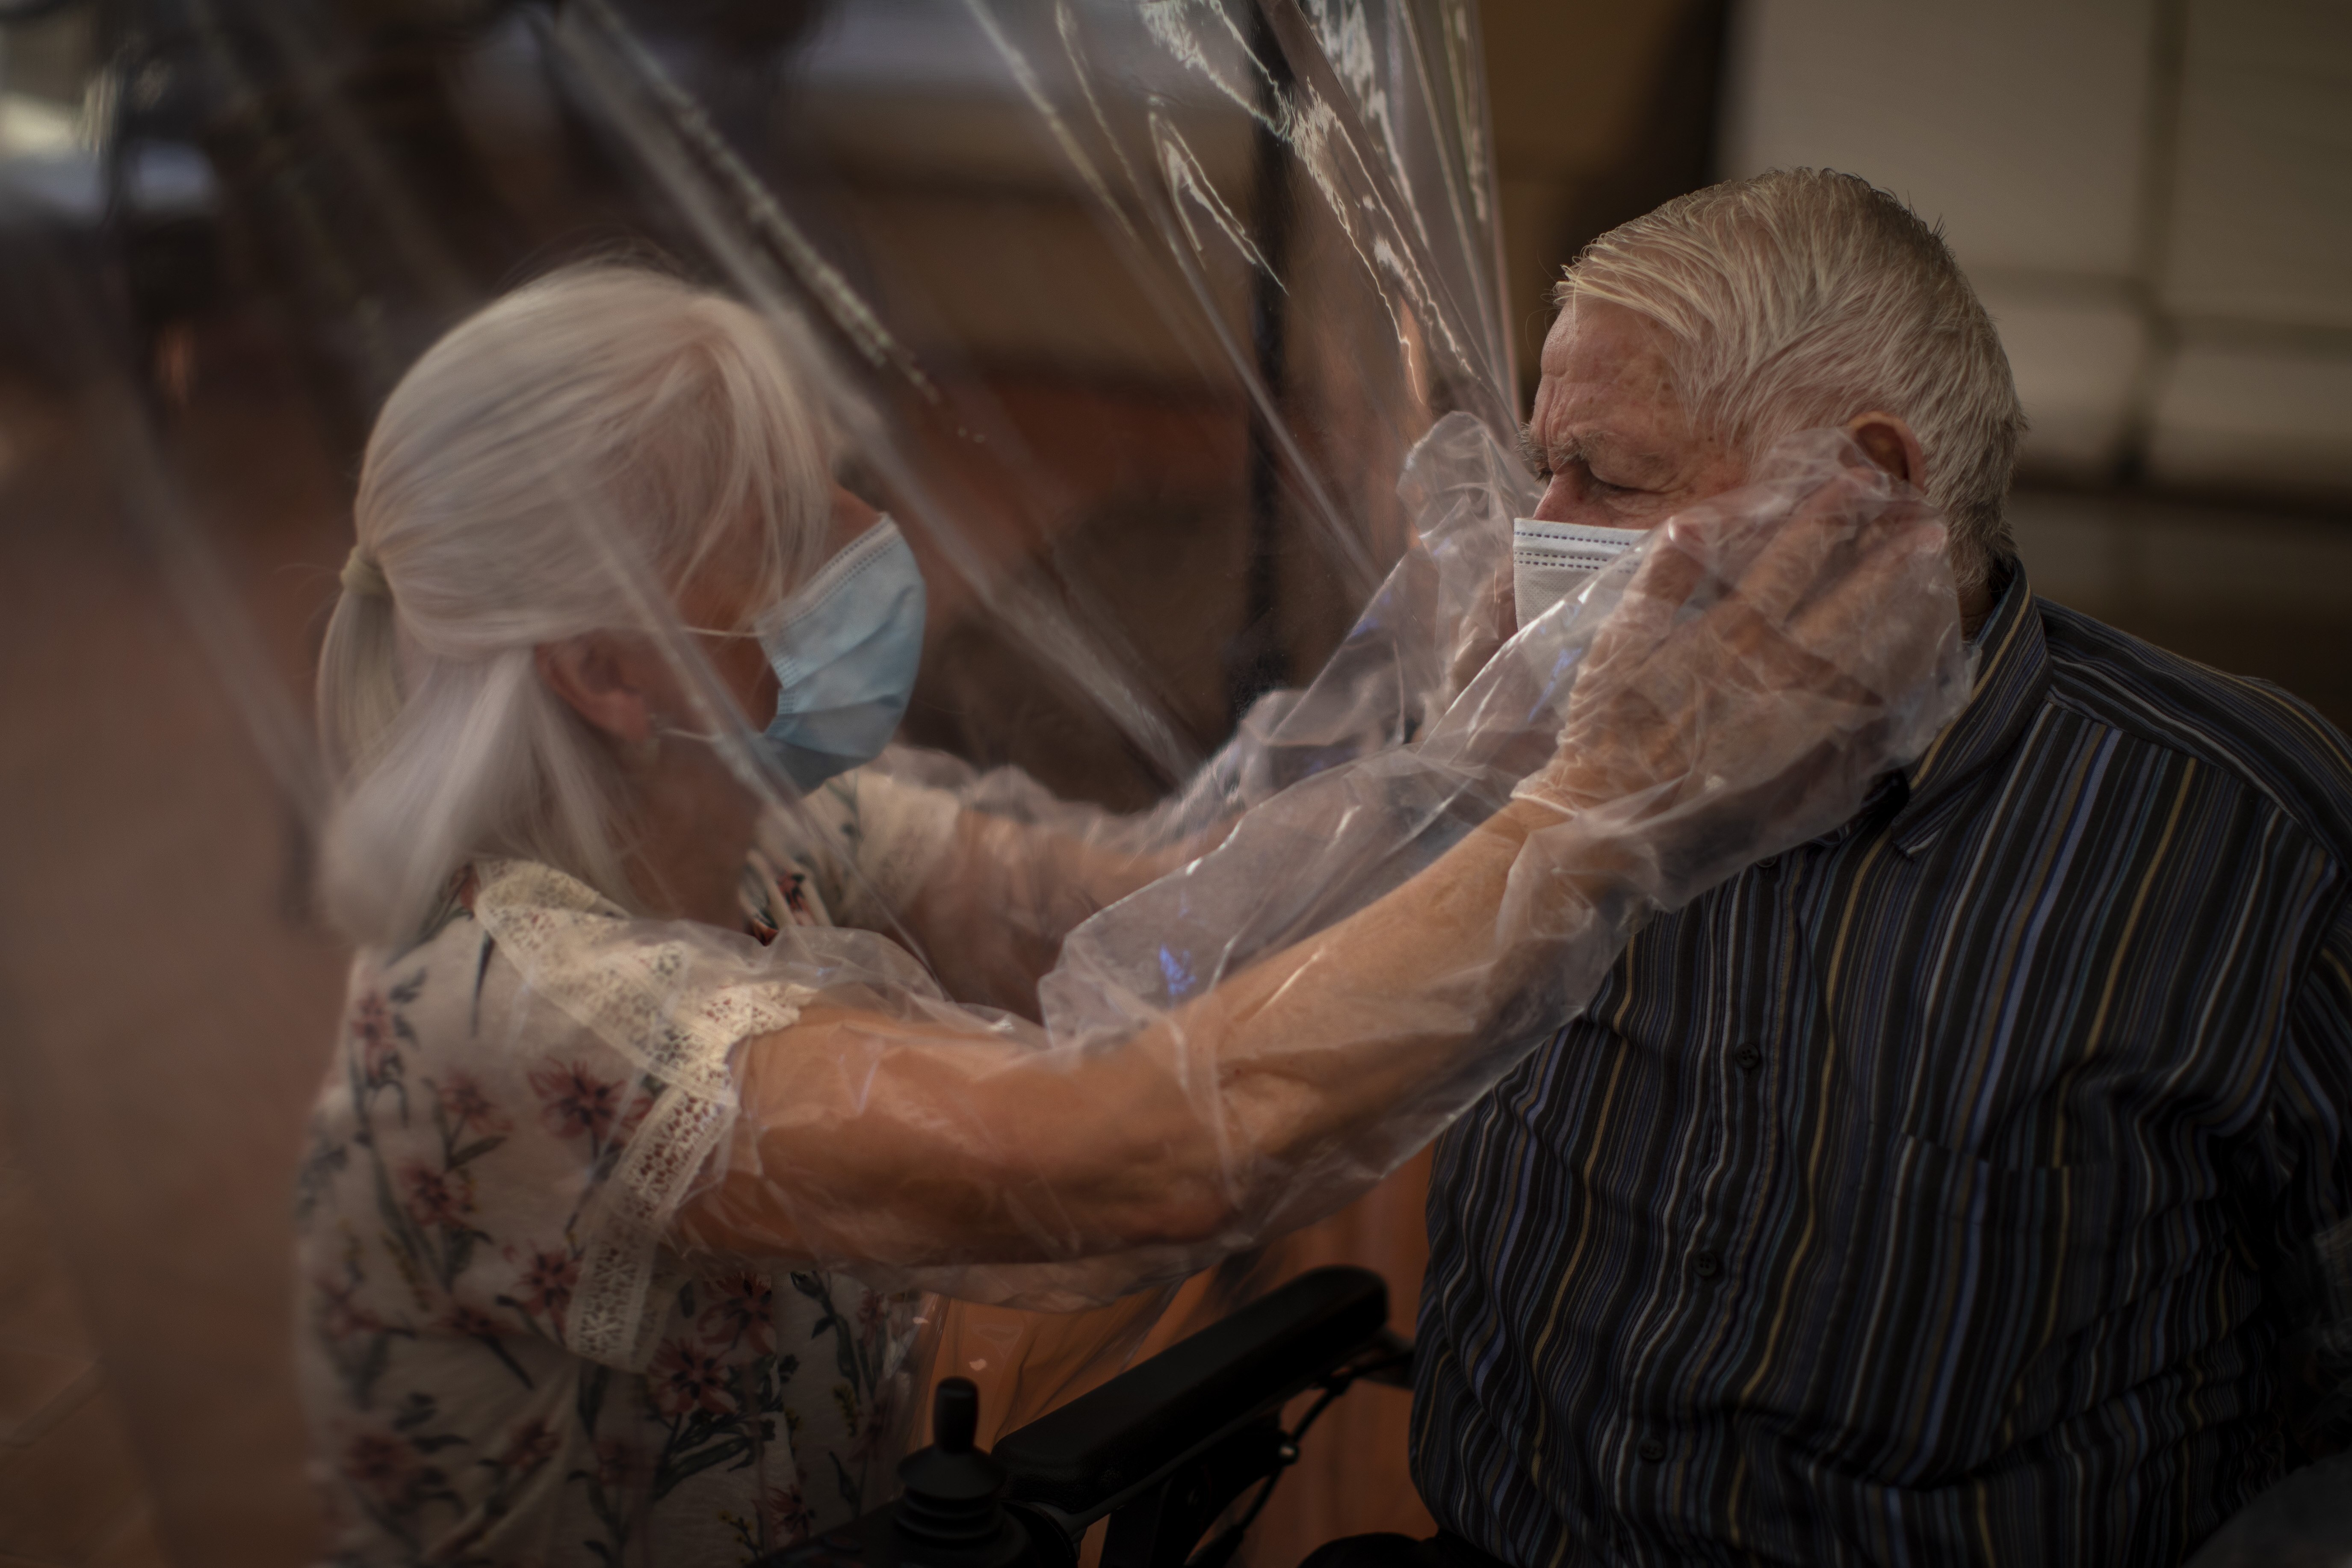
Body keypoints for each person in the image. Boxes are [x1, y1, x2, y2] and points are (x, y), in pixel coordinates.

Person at [291, 263, 1964, 1564]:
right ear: (604, 665)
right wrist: (1602, 801)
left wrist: (1468, 736)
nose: (874, 550)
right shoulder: (521, 1007)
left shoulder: (759, 816)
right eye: (794, 532)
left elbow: (1167, 901)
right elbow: (1113, 1151)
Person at [1331, 169, 2352, 1567]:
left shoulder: (2233, 838)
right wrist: (1465, 783)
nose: (1541, 526)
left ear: (1862, 487)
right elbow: (1254, 1015)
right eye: (1542, 466)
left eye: (1607, 477)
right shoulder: (1537, 724)